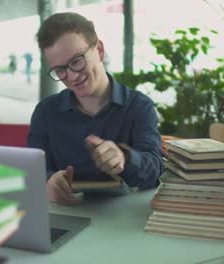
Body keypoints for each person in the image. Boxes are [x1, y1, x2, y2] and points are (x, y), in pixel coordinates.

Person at [28, 12, 162, 205]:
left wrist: (125, 159)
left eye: (76, 61)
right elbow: (35, 169)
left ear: (99, 50)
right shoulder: (45, 112)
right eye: (60, 70)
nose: (72, 77)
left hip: (122, 218)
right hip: (65, 212)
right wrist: (48, 181)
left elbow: (156, 168)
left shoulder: (139, 107)